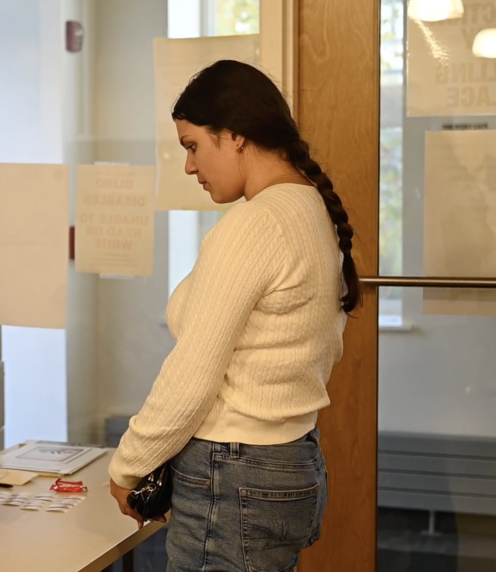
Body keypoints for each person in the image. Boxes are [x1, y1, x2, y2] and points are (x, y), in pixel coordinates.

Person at [108, 60, 361, 572]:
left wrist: (128, 465)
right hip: (291, 460)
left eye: (193, 146)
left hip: (234, 472)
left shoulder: (257, 224)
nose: (189, 166)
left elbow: (192, 375)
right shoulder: (310, 211)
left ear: (235, 135)